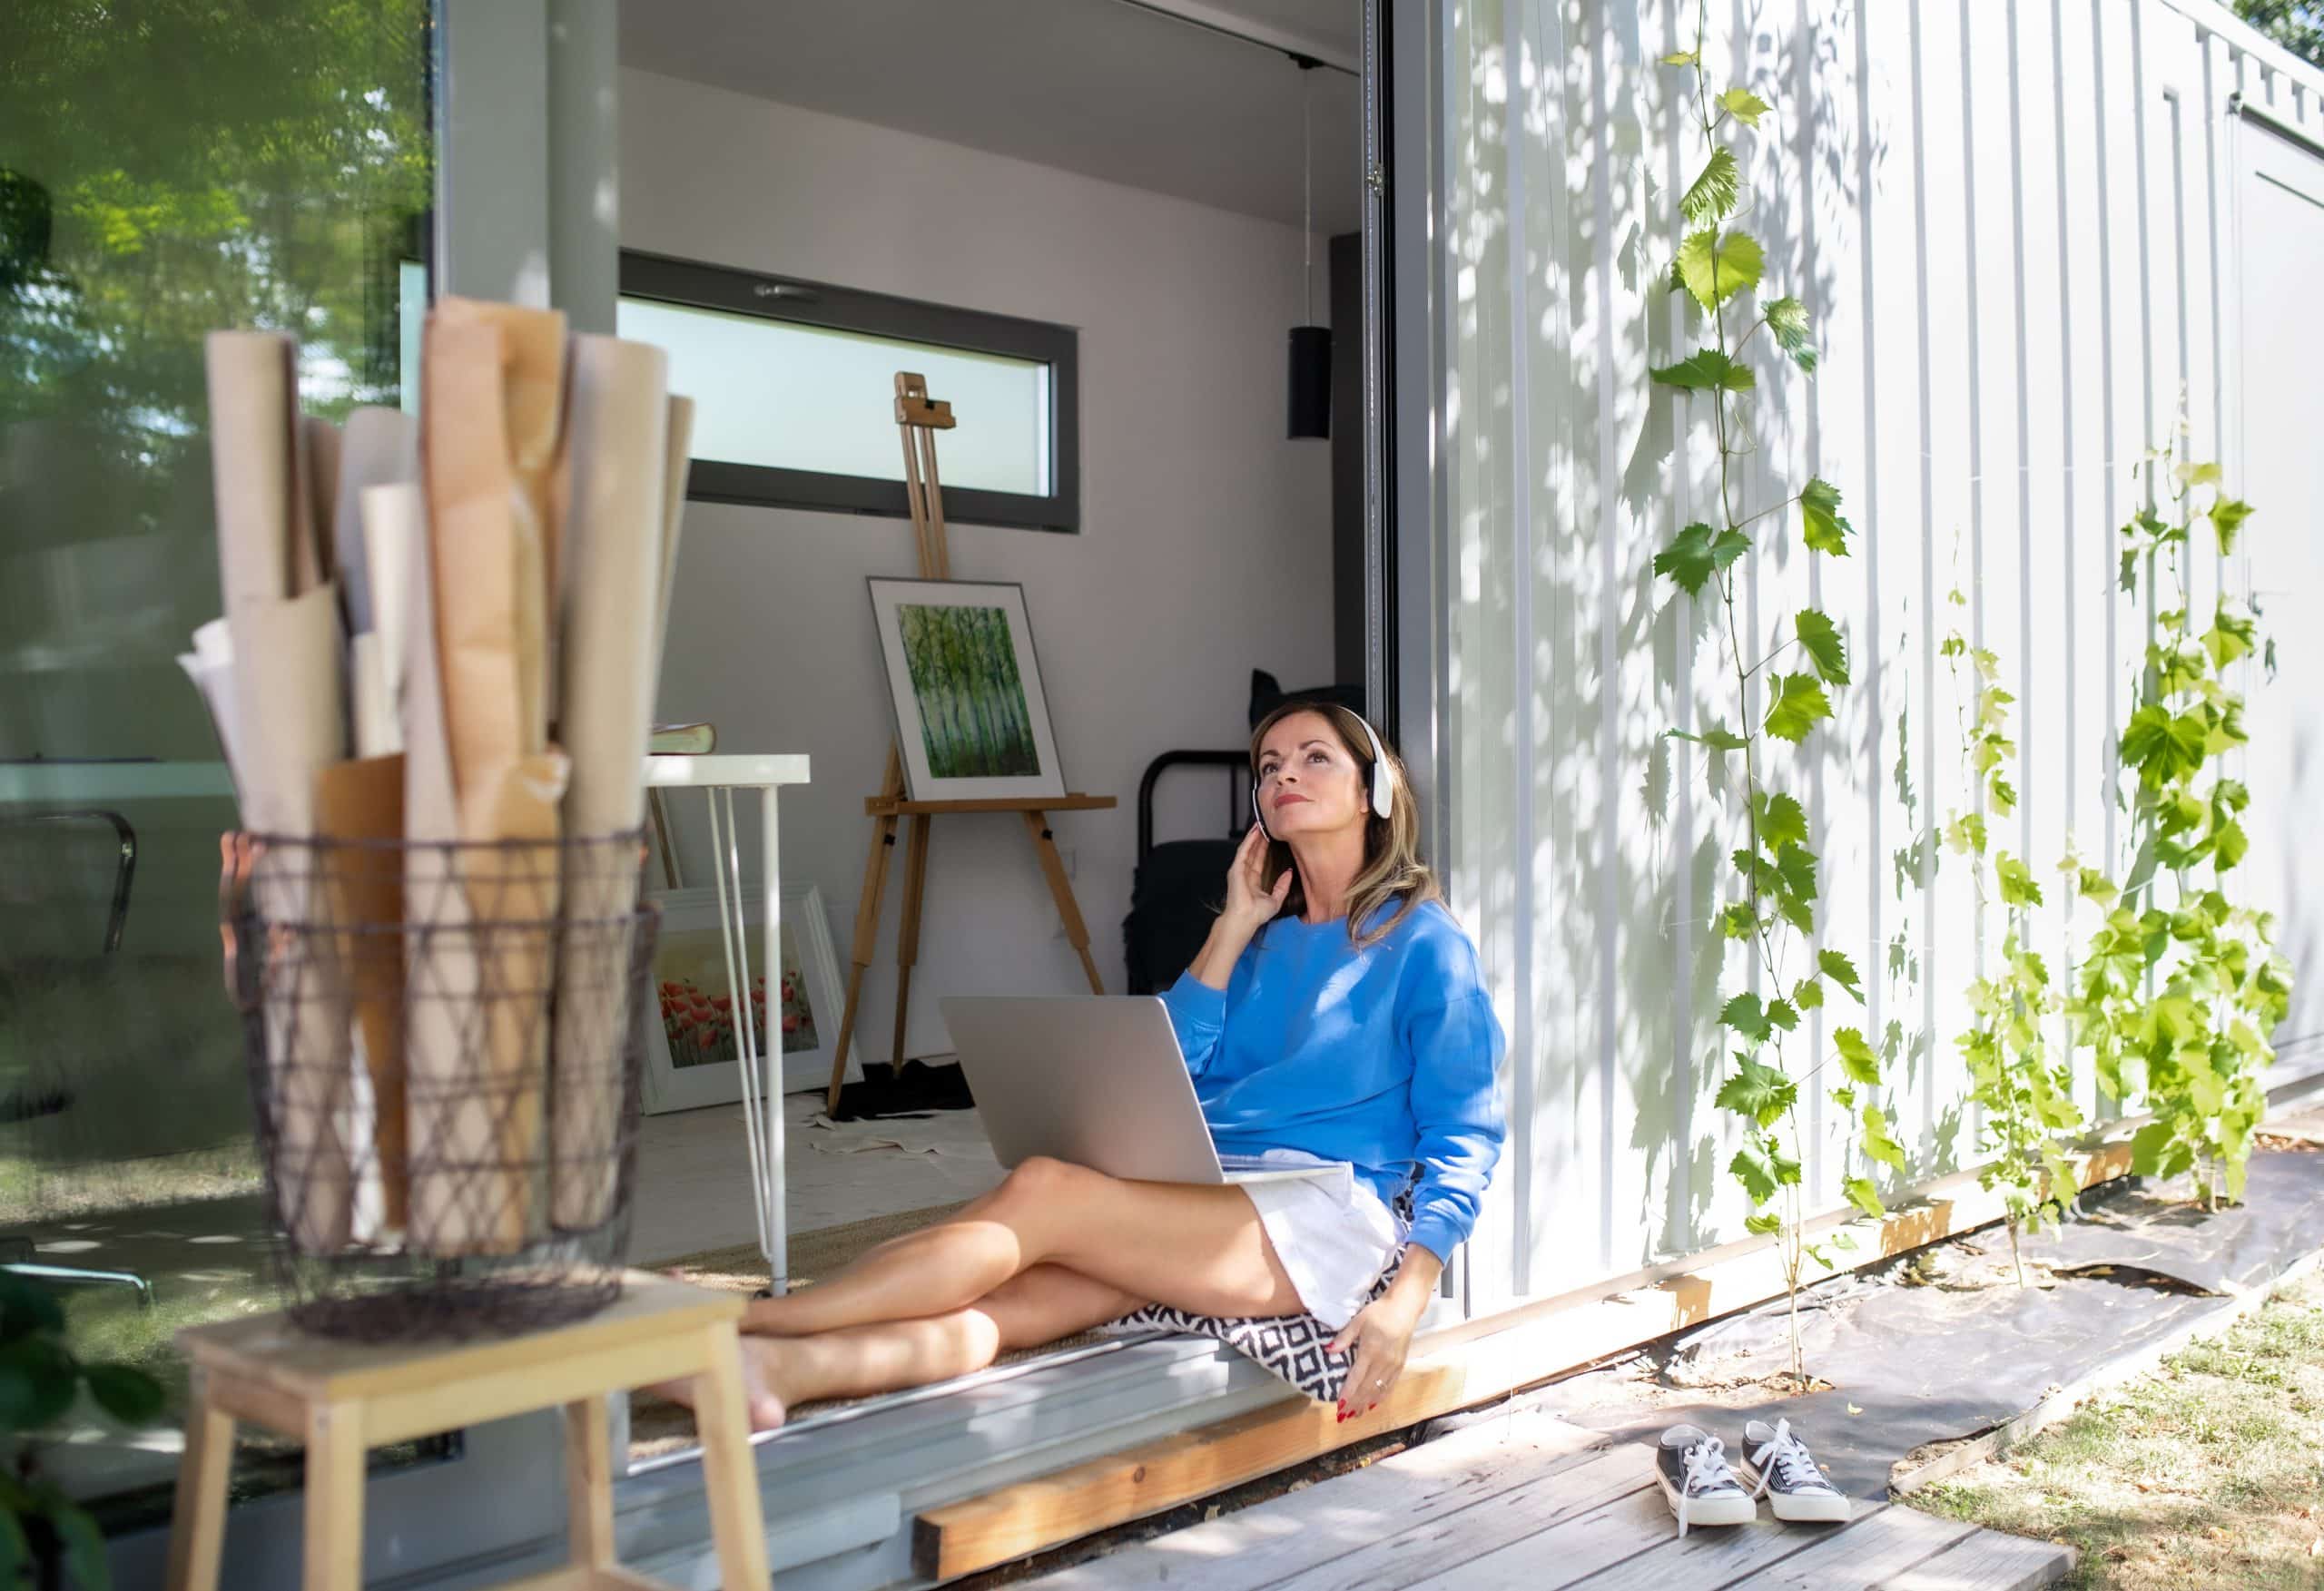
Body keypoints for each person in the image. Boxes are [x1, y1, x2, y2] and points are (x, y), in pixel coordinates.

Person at [672, 702, 1506, 1431]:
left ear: (1375, 792)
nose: (1285, 773)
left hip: (1322, 1209)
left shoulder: (1426, 942)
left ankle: (748, 1325)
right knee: (1025, 1294)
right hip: (1214, 1187)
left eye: (1314, 756)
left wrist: (1404, 1299)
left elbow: (1465, 1132)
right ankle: (778, 1375)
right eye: (1270, 765)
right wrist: (1235, 925)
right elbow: (1169, 1067)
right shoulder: (1262, 942)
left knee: (1045, 1187)